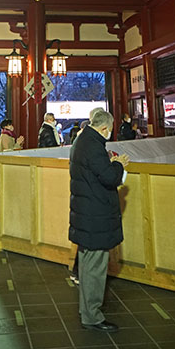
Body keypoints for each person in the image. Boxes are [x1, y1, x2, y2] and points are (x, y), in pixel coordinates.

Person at [69, 108, 129, 333]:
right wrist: (119, 164)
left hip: (86, 213)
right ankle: (92, 316)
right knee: (95, 269)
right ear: (104, 128)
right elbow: (110, 177)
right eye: (109, 130)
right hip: (95, 215)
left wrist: (109, 163)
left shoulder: (81, 141)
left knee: (87, 266)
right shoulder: (94, 146)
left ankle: (86, 311)